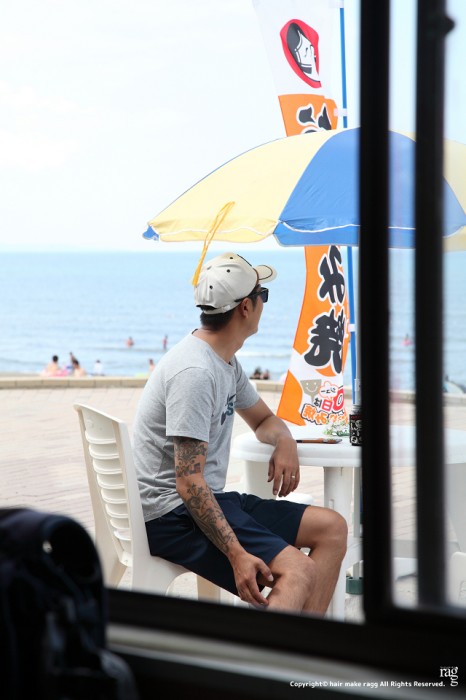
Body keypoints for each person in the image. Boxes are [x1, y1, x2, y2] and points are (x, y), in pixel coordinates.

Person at [133, 252, 347, 614]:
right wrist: (236, 554)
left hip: (207, 501)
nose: (264, 303)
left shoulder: (224, 360)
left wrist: (284, 440)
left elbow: (263, 420)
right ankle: (267, 652)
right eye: (263, 295)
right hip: (172, 516)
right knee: (298, 570)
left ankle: (303, 643)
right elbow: (188, 482)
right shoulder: (195, 373)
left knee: (332, 527)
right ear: (246, 307)